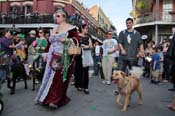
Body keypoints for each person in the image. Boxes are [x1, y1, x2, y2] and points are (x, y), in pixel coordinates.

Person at [35, 8, 79, 108]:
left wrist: (67, 40)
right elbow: (49, 43)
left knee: (58, 77)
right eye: (55, 16)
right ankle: (45, 97)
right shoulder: (54, 28)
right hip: (51, 55)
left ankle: (55, 100)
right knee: (48, 76)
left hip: (62, 55)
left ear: (64, 17)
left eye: (58, 16)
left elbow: (77, 41)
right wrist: (46, 53)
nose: (56, 18)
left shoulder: (71, 28)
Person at [74, 24, 92, 94]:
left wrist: (87, 47)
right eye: (86, 28)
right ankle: (78, 85)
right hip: (78, 55)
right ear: (82, 28)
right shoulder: (77, 36)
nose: (87, 30)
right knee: (78, 71)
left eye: (88, 28)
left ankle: (86, 87)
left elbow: (91, 46)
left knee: (86, 71)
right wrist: (79, 46)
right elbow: (73, 44)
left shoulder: (88, 37)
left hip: (86, 55)